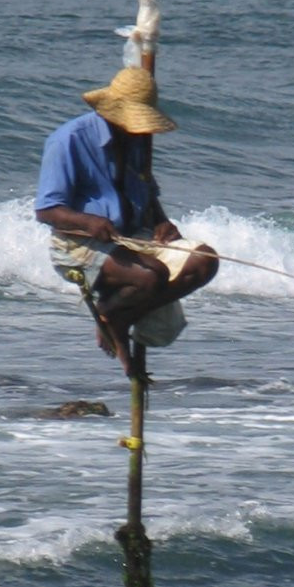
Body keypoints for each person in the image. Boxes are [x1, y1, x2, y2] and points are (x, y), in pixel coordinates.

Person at [35, 66, 218, 378]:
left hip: (134, 236)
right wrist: (89, 222)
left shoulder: (138, 141)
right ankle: (115, 319)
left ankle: (117, 316)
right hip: (79, 243)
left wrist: (162, 223)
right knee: (151, 276)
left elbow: (148, 195)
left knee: (205, 261)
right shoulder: (69, 140)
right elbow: (47, 210)